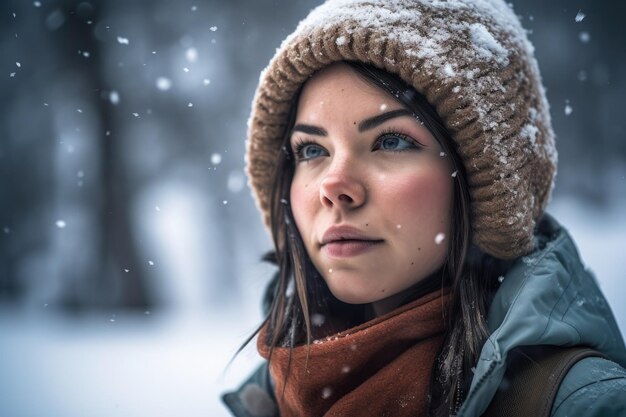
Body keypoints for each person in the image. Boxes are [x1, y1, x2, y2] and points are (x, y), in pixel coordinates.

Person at [223, 0, 626, 416]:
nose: (333, 186)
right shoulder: (269, 400)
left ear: (483, 183)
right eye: (311, 149)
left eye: (391, 141)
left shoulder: (583, 404)